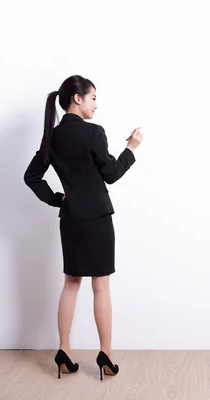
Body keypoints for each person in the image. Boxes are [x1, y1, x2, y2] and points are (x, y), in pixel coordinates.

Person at [23, 75, 143, 380]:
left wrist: (57, 199)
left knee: (70, 286)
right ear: (77, 98)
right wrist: (131, 148)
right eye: (93, 98)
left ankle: (64, 350)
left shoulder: (53, 137)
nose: (96, 105)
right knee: (101, 287)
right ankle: (106, 355)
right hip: (98, 219)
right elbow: (111, 173)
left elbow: (31, 176)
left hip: (72, 219)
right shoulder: (93, 133)